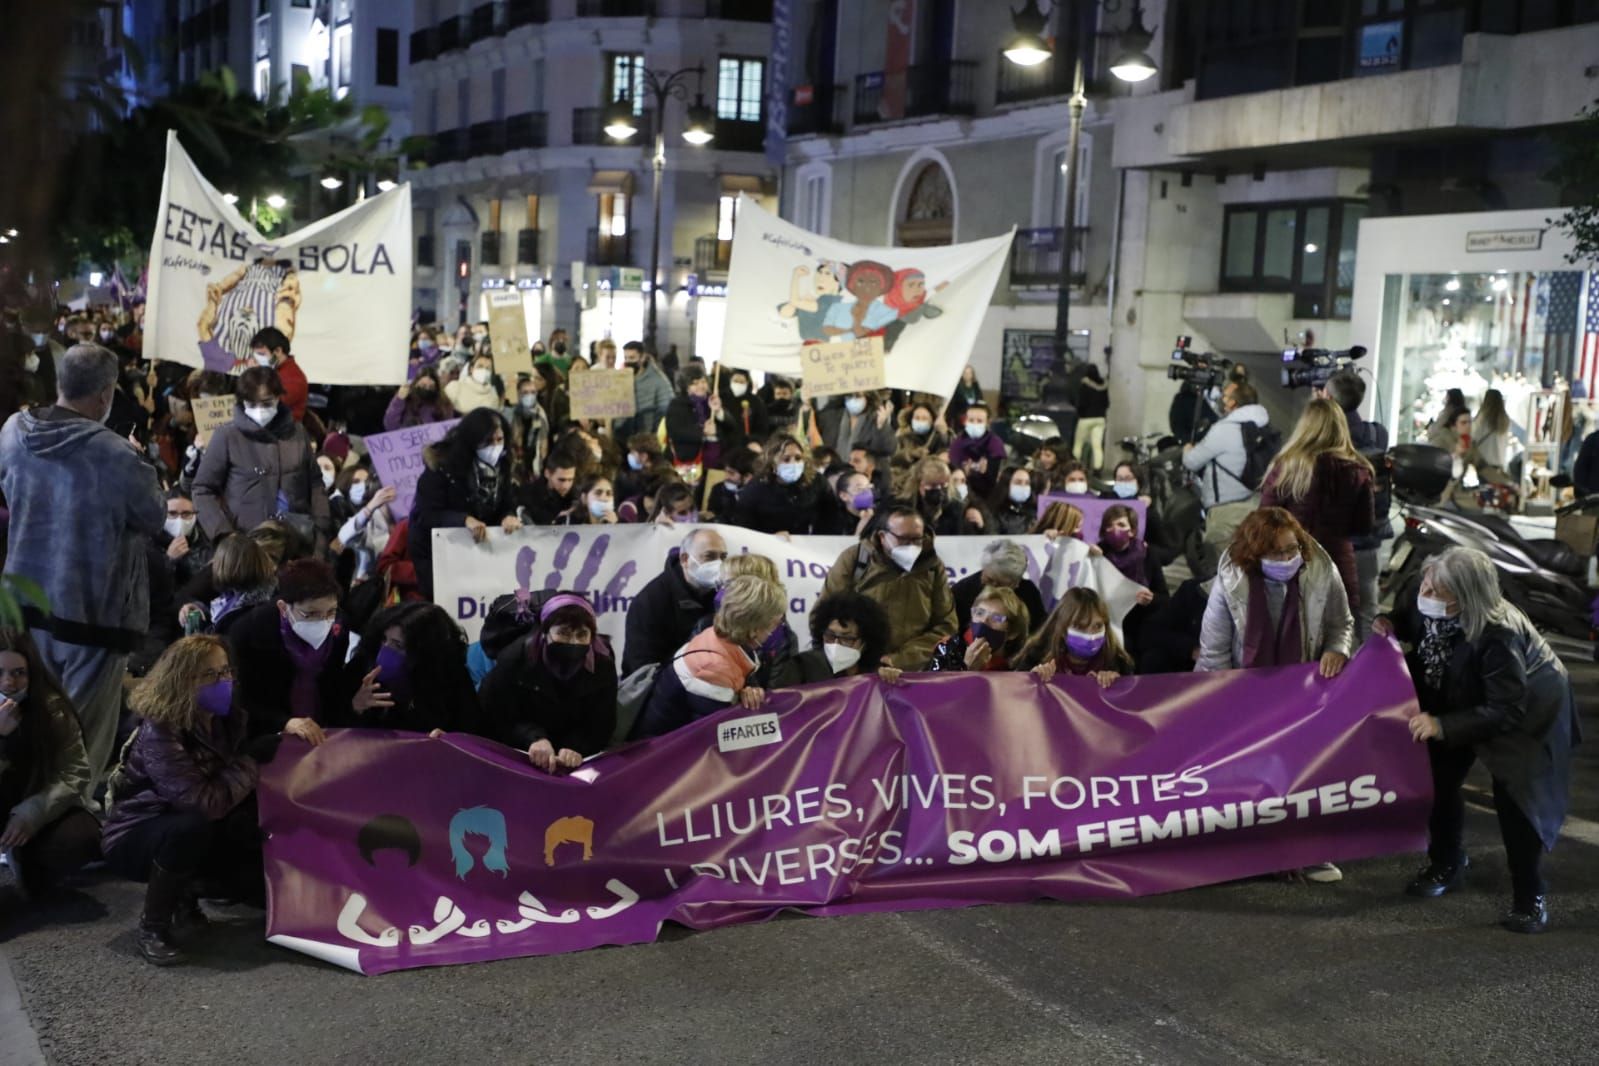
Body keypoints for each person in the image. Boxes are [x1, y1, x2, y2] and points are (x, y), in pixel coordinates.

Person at [1374, 547, 1579, 933]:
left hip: (1528, 710)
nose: (1427, 597)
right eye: (1427, 588)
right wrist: (1387, 622)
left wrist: (1444, 726)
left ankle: (1530, 895)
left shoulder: (1498, 633)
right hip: (1458, 690)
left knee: (1519, 800)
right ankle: (1447, 863)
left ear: (1467, 598)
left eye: (1439, 594)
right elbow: (1407, 619)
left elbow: (1506, 709)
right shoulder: (1423, 590)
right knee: (1437, 781)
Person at [0, 343, 165, 800]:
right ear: (106, 394)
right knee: (82, 744)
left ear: (59, 383)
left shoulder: (13, 432)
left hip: (25, 610)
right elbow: (153, 517)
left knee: (29, 726)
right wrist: (139, 462)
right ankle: (64, 835)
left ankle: (22, 824)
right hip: (95, 617)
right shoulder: (117, 456)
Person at [101, 636, 260, 965]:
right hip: (137, 833)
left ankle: (187, 896)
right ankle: (153, 927)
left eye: (226, 671)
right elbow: (199, 802)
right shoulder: (161, 729)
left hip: (183, 825)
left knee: (244, 828)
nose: (224, 681)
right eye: (210, 675)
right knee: (192, 826)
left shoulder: (228, 720)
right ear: (183, 680)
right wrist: (250, 762)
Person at [230, 559, 378, 748]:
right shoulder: (248, 632)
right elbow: (241, 697)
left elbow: (331, 685)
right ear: (284, 608)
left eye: (331, 611)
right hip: (266, 737)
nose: (323, 622)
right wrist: (283, 722)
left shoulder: (339, 628)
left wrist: (352, 704)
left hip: (319, 730)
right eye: (310, 614)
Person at [0, 629, 100, 901]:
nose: (9, 683)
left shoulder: (51, 708)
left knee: (82, 837)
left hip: (36, 804)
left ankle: (27, 861)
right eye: (0, 672)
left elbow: (74, 772)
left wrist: (32, 813)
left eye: (19, 672)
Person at [1196, 507, 1353, 676]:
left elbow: (1341, 625)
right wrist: (1227, 692)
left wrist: (1336, 649)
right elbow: (1214, 653)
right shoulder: (1230, 581)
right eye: (1275, 553)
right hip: (1243, 681)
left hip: (1304, 677)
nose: (1286, 559)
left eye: (1292, 549)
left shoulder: (1322, 571)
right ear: (1254, 554)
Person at [1259, 397, 1375, 613]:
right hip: (1337, 564)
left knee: (1291, 634)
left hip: (1290, 563)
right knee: (1336, 634)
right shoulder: (1358, 470)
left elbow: (1265, 517)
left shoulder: (1288, 465)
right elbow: (1363, 527)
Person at [193, 366, 331, 545]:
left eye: (266, 404)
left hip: (297, 541)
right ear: (242, 402)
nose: (260, 410)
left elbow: (315, 483)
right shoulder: (227, 436)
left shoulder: (297, 433)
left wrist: (320, 530)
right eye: (251, 404)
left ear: (279, 398)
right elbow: (202, 489)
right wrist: (224, 535)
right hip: (246, 544)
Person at [481, 594, 618, 771]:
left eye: (582, 635)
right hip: (520, 755)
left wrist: (575, 747)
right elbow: (497, 715)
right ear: (545, 632)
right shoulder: (515, 659)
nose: (574, 642)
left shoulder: (603, 664)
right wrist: (533, 738)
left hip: (575, 761)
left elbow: (603, 723)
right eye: (563, 633)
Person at [634, 576, 783, 738]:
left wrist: (746, 692)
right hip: (661, 755)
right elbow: (717, 739)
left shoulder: (717, 635)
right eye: (775, 624)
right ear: (754, 628)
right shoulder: (713, 668)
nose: (777, 630)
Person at [821, 506, 957, 670]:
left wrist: (902, 659)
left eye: (917, 539)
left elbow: (946, 626)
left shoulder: (932, 567)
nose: (911, 546)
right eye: (903, 539)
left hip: (911, 671)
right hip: (857, 669)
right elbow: (826, 615)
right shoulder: (855, 559)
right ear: (883, 536)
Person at [410, 408, 522, 598]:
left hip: (478, 552)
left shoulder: (503, 465)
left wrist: (508, 515)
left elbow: (506, 502)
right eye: (487, 442)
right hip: (437, 555)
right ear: (471, 441)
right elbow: (427, 514)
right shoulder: (441, 468)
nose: (495, 447)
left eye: (499, 440)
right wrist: (463, 520)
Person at [334, 602, 481, 736]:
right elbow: (335, 730)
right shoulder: (363, 665)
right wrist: (355, 707)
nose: (385, 650)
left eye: (398, 645)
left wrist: (449, 740)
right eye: (384, 639)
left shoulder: (450, 677)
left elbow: (472, 734)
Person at [1323, 371, 1391, 640]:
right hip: (1370, 538)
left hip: (1334, 541)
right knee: (1368, 612)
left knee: (1331, 614)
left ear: (1328, 397)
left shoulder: (1326, 440)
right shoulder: (1378, 434)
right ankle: (1367, 672)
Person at [621, 528, 727, 676]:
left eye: (723, 557)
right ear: (685, 559)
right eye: (710, 556)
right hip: (661, 689)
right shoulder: (650, 601)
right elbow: (642, 668)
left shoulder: (724, 596)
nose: (719, 564)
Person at [1182, 379, 1271, 547]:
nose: (1221, 399)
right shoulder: (1263, 425)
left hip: (1226, 510)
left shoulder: (1224, 429)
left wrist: (1187, 449)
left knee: (1222, 565)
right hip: (1255, 504)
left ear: (1233, 402)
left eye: (1225, 396)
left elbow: (1191, 462)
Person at [771, 592, 897, 687]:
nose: (836, 644)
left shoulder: (877, 672)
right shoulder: (802, 667)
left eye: (847, 638)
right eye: (830, 636)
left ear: (865, 642)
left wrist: (892, 679)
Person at [1019, 588, 1133, 687]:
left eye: (1097, 626)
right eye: (1080, 626)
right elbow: (1014, 697)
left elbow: (1131, 705)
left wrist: (1118, 686)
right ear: (1062, 629)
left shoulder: (1118, 662)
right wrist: (1030, 680)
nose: (1091, 635)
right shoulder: (1036, 654)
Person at [731, 434, 830, 535]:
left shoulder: (816, 481)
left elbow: (831, 516)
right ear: (772, 463)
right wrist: (770, 539)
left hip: (806, 544)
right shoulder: (755, 489)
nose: (793, 463)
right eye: (786, 459)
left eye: (798, 458)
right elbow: (744, 528)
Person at [952, 540, 1047, 636]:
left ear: (1016, 583)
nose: (993, 588)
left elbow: (1041, 633)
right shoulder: (962, 592)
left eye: (1001, 585)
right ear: (984, 569)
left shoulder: (1029, 592)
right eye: (989, 580)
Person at [929, 586, 1030, 672]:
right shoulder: (948, 649)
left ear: (1013, 632)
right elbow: (933, 692)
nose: (984, 621)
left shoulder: (1018, 665)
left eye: (996, 618)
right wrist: (967, 668)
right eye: (980, 613)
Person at [947, 402, 1008, 500]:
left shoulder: (995, 443)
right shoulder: (957, 443)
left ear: (988, 422)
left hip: (985, 495)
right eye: (971, 420)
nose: (974, 424)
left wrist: (983, 472)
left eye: (979, 421)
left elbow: (993, 478)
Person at [617, 342, 675, 440]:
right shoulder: (621, 379)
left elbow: (666, 408)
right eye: (626, 358)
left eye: (632, 358)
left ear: (642, 357)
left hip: (646, 436)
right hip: (623, 434)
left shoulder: (658, 380)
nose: (628, 361)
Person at [248, 327, 307, 422]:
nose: (258, 359)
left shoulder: (294, 379)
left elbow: (267, 406)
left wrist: (255, 376)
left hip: (285, 432)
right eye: (256, 355)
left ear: (278, 351)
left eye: (262, 354)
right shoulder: (272, 370)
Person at [383, 367, 456, 431]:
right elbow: (390, 426)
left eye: (431, 387)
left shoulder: (443, 403)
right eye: (423, 385)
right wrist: (399, 400)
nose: (427, 388)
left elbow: (448, 429)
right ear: (415, 384)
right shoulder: (405, 397)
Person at [718, 367, 770, 451]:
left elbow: (762, 428)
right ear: (730, 381)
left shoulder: (756, 402)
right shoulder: (721, 398)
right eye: (735, 381)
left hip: (746, 447)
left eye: (742, 382)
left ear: (747, 383)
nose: (738, 384)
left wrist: (756, 441)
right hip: (723, 446)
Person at [1073, 365, 1109, 474]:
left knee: (1078, 443)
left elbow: (1081, 403)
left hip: (1086, 418)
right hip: (1100, 419)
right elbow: (1107, 403)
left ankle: (1075, 466)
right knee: (1097, 445)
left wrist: (1080, 413)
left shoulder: (1085, 385)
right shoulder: (1103, 386)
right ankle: (1097, 469)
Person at [444, 352, 503, 416]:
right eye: (480, 366)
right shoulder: (455, 386)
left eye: (488, 368)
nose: (484, 370)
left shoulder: (493, 395)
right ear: (471, 369)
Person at [991, 465, 1038, 536]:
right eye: (1018, 483)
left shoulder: (1035, 511)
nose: (1023, 486)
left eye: (1027, 483)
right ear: (1006, 484)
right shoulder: (994, 512)